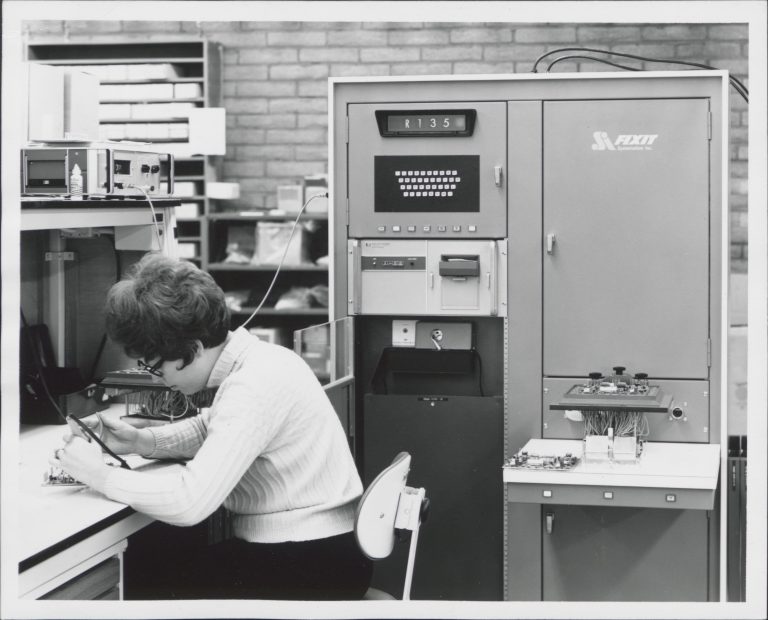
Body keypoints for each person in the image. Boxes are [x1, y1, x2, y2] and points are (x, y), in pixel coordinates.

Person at [52, 253, 372, 600]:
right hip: (322, 551)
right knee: (156, 559)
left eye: (157, 368)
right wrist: (142, 441)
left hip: (311, 563)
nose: (156, 378)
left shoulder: (252, 384)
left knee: (141, 578)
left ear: (194, 348)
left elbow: (189, 503)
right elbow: (213, 428)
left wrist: (99, 475)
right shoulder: (266, 360)